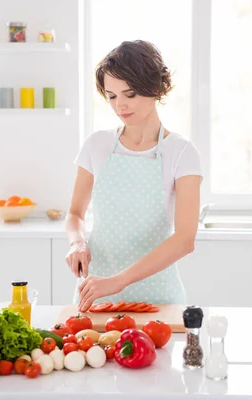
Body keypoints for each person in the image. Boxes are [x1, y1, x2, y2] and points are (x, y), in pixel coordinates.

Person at [65, 40, 202, 312]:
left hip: (159, 300)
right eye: (112, 96)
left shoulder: (182, 153)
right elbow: (75, 214)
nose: (120, 106)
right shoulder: (96, 145)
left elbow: (185, 240)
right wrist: (77, 242)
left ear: (155, 88)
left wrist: (118, 282)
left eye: (130, 94)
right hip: (96, 295)